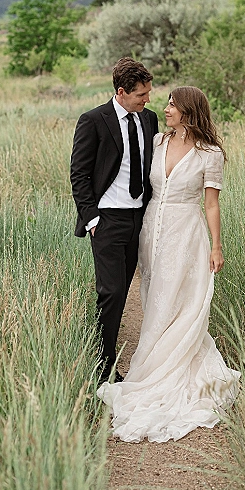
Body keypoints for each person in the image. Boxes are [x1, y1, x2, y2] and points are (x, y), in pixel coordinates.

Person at [97, 86, 240, 442]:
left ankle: (165, 368)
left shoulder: (210, 154)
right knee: (154, 298)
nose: (165, 108)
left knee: (181, 302)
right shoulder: (158, 142)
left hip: (186, 232)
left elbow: (211, 205)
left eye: (173, 105)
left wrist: (217, 246)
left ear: (189, 112)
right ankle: (159, 357)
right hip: (152, 230)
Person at [70, 57, 159, 383]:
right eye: (141, 95)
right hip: (107, 220)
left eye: (148, 93)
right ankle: (104, 368)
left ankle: (118, 354)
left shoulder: (148, 120)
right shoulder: (93, 120)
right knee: (111, 292)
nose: (147, 99)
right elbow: (78, 174)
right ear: (121, 92)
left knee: (125, 291)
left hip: (139, 218)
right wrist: (92, 218)